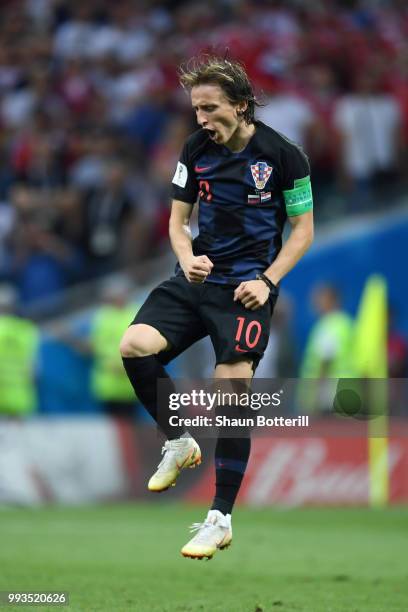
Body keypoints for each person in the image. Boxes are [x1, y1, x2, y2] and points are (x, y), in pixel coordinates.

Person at [120, 56, 314, 559]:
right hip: (198, 277)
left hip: (246, 289)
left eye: (210, 108)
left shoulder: (284, 155)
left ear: (241, 105)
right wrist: (187, 257)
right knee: (135, 345)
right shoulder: (195, 149)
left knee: (230, 391)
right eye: (196, 109)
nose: (201, 119)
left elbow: (304, 231)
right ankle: (179, 440)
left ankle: (218, 517)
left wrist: (268, 282)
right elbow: (177, 222)